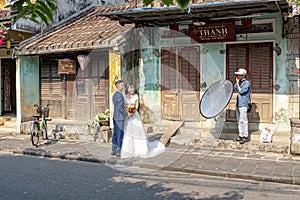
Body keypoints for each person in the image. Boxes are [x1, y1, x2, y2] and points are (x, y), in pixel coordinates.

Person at [121, 84, 165, 158]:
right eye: (130, 88)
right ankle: (129, 149)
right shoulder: (124, 97)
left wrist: (132, 112)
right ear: (127, 89)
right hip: (127, 116)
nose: (132, 89)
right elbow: (124, 106)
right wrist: (127, 112)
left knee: (137, 130)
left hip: (135, 115)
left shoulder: (135, 96)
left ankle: (140, 149)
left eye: (133, 88)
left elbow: (136, 106)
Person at [111, 80, 130, 157]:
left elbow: (117, 105)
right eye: (122, 85)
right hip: (119, 117)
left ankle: (114, 150)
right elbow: (120, 108)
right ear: (118, 86)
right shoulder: (120, 95)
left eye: (123, 85)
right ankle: (119, 151)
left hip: (115, 116)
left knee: (115, 133)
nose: (123, 87)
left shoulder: (114, 94)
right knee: (120, 134)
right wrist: (126, 114)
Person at [233, 68, 251, 144]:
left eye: (239, 75)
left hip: (243, 104)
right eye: (237, 75)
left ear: (243, 75)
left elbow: (241, 91)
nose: (238, 76)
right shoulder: (239, 82)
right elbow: (234, 88)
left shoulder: (246, 83)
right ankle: (240, 134)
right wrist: (237, 83)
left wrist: (237, 84)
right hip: (238, 104)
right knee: (239, 120)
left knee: (243, 120)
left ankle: (245, 136)